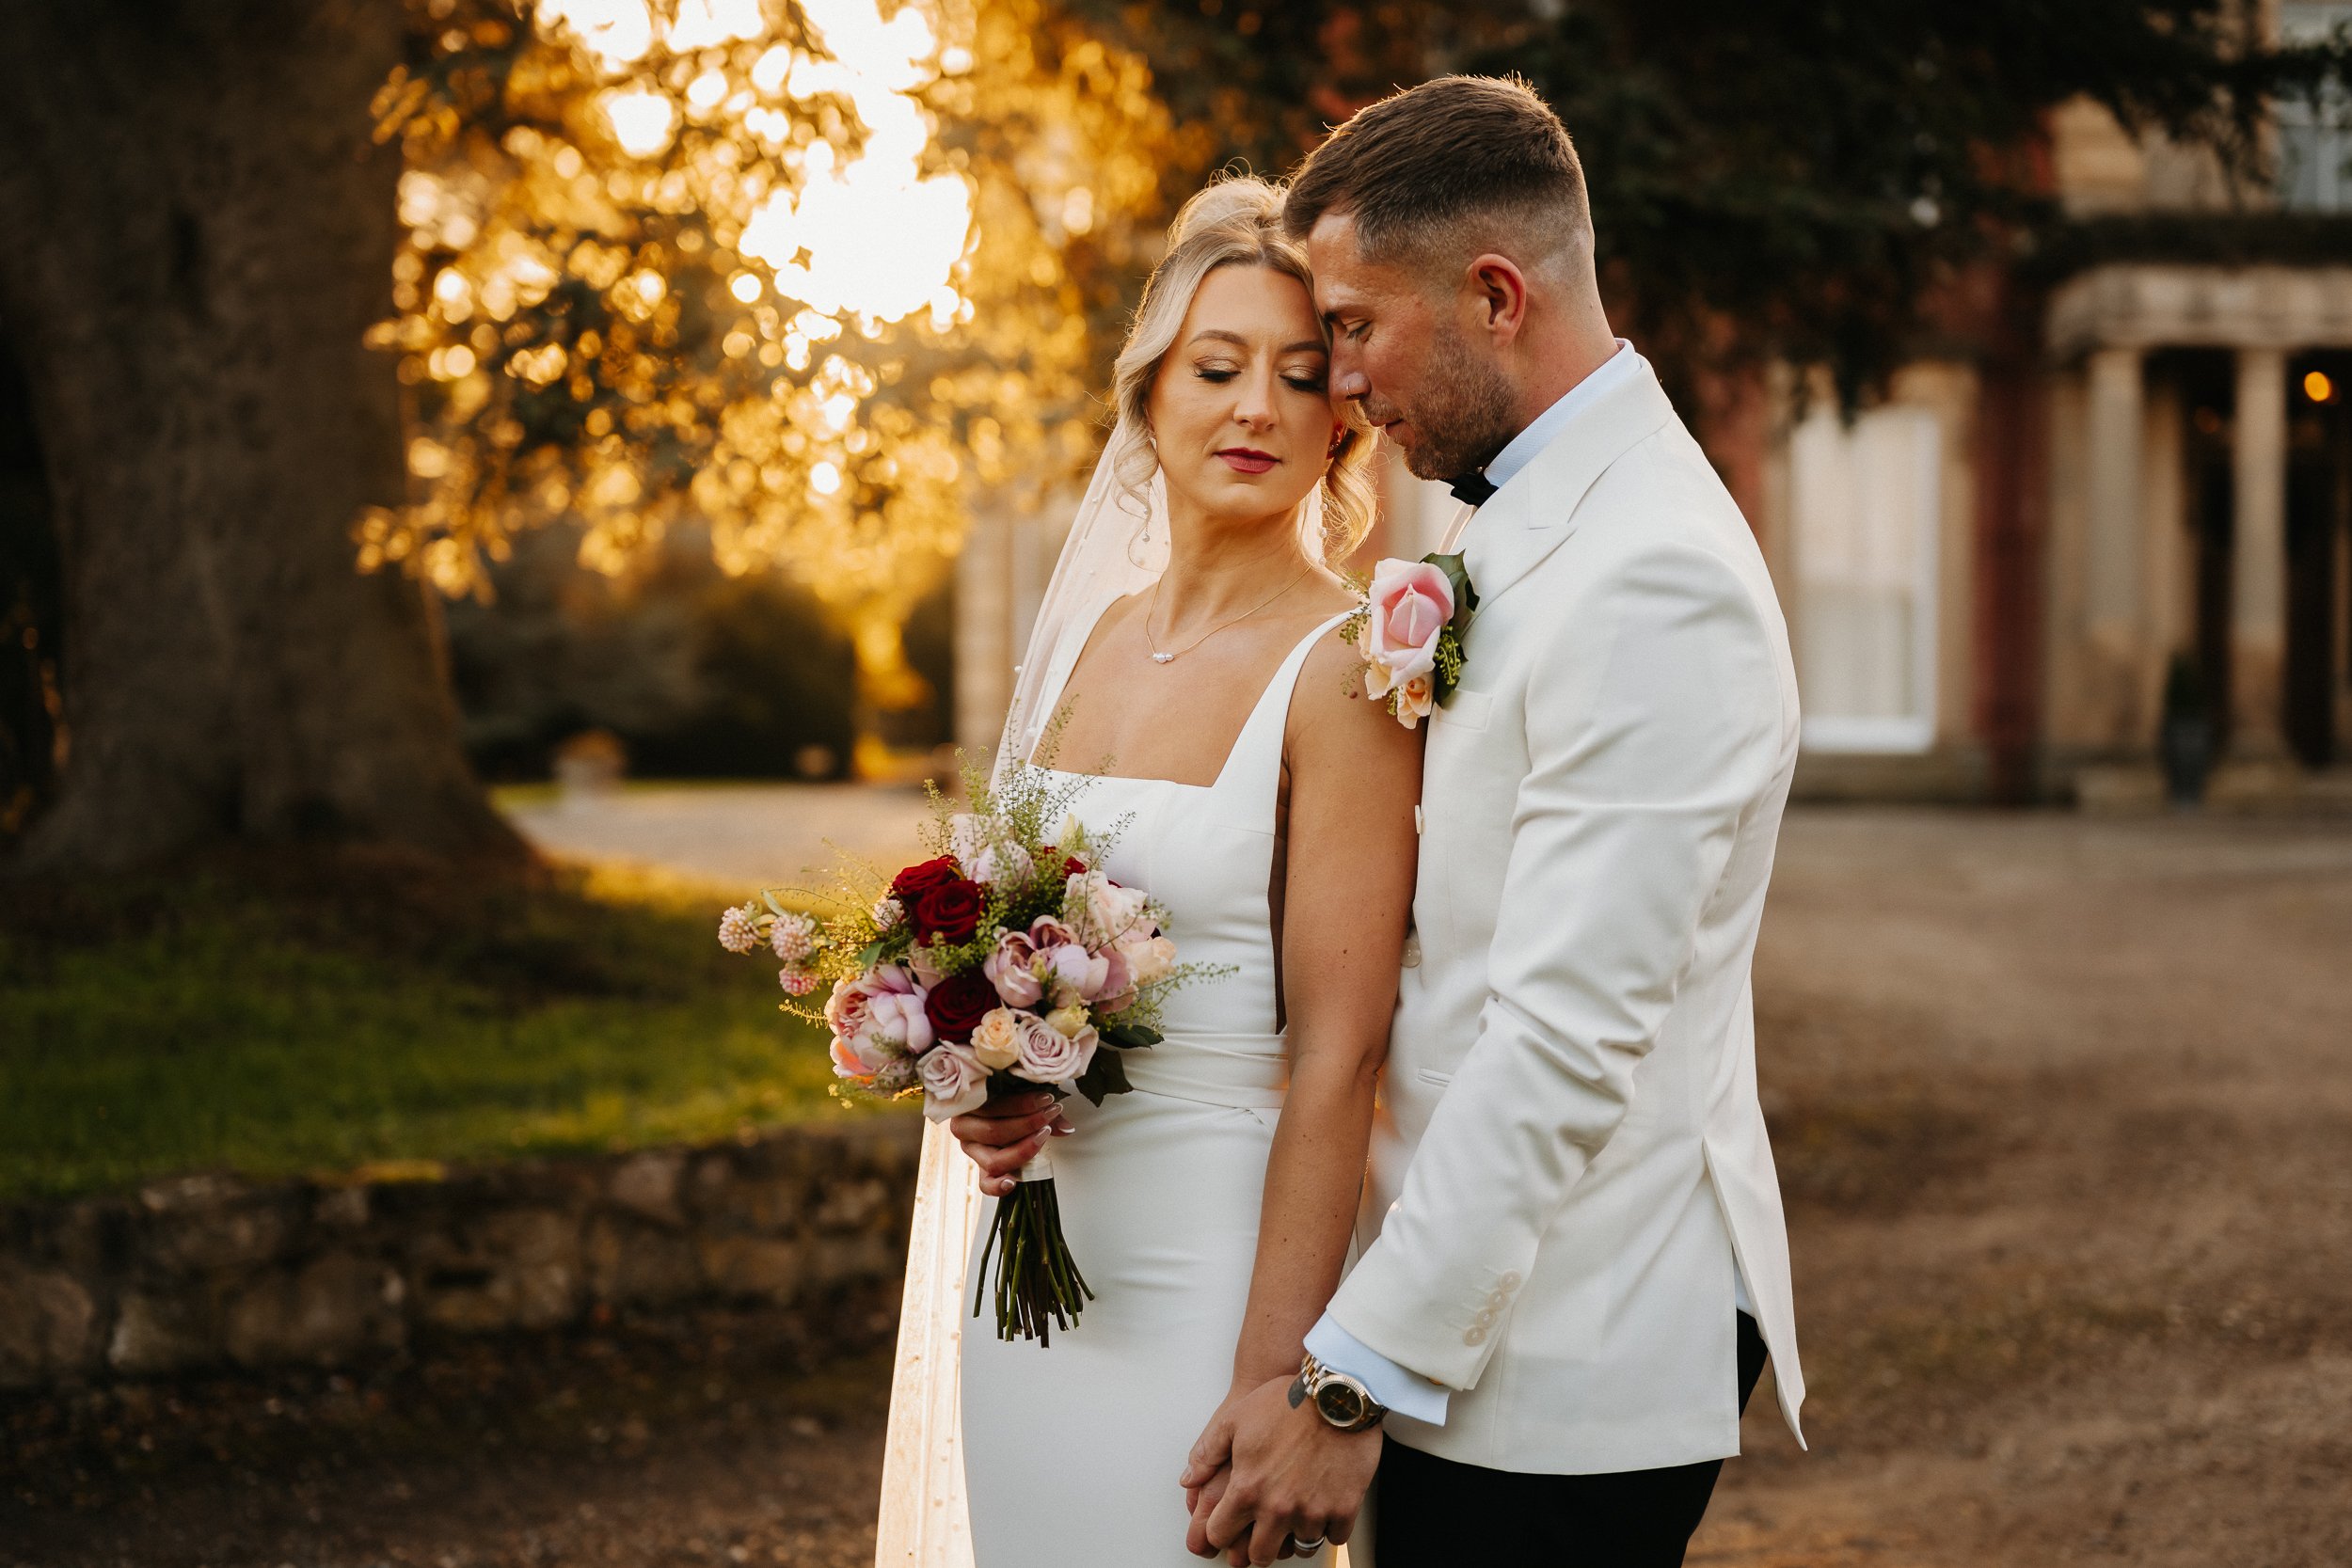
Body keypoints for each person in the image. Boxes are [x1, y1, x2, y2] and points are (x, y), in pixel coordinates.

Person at [1179, 75, 1808, 1567]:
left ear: (1495, 294)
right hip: (1471, 1305)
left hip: (1563, 1350)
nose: (1335, 382)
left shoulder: (1654, 573)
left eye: (1351, 327)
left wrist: (1348, 1386)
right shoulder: (1515, 510)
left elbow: (1565, 1036)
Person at [871, 175, 1421, 1566]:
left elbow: (1343, 1056)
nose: (1258, 410)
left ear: (1343, 418)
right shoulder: (1088, 634)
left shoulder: (1343, 671)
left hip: (1216, 1260)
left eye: (1305, 379)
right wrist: (984, 1081)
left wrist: (1276, 1374)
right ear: (1148, 395)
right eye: (1218, 368)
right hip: (1034, 1262)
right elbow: (1006, 929)